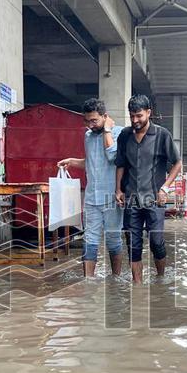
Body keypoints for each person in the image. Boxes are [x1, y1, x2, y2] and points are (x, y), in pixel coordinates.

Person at [114, 94, 182, 283]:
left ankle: (160, 279)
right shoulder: (125, 135)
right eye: (132, 116)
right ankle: (138, 286)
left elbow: (177, 163)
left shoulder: (162, 135)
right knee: (133, 244)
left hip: (154, 199)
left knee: (156, 241)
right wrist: (118, 189)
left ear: (149, 113)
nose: (135, 120)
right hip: (131, 200)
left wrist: (165, 188)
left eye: (139, 116)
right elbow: (120, 164)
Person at [57, 98, 124, 277]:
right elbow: (92, 163)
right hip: (92, 197)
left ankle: (115, 279)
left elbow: (112, 157)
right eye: (86, 121)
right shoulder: (88, 136)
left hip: (111, 197)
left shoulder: (119, 133)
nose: (89, 125)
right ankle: (88, 280)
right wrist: (72, 161)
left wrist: (107, 130)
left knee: (113, 239)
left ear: (105, 117)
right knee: (89, 239)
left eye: (94, 120)